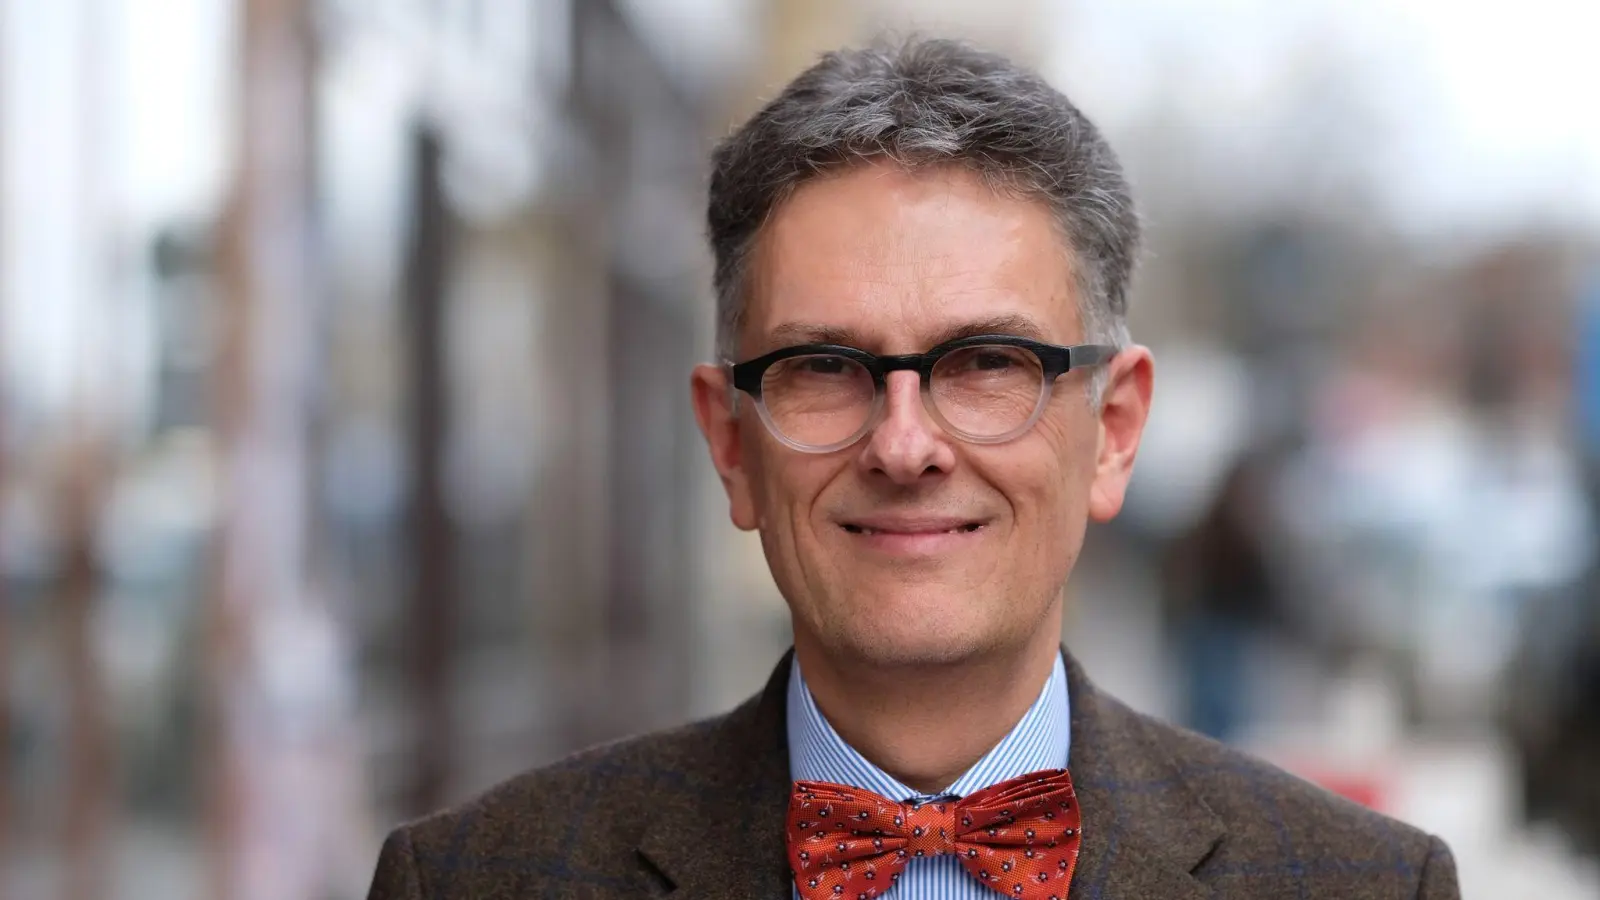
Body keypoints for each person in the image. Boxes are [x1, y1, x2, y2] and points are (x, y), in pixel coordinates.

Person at [365, 38, 1459, 899]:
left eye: (987, 363)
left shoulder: (1360, 886)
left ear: (1114, 430)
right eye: (824, 366)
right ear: (729, 444)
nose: (903, 445)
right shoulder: (477, 880)